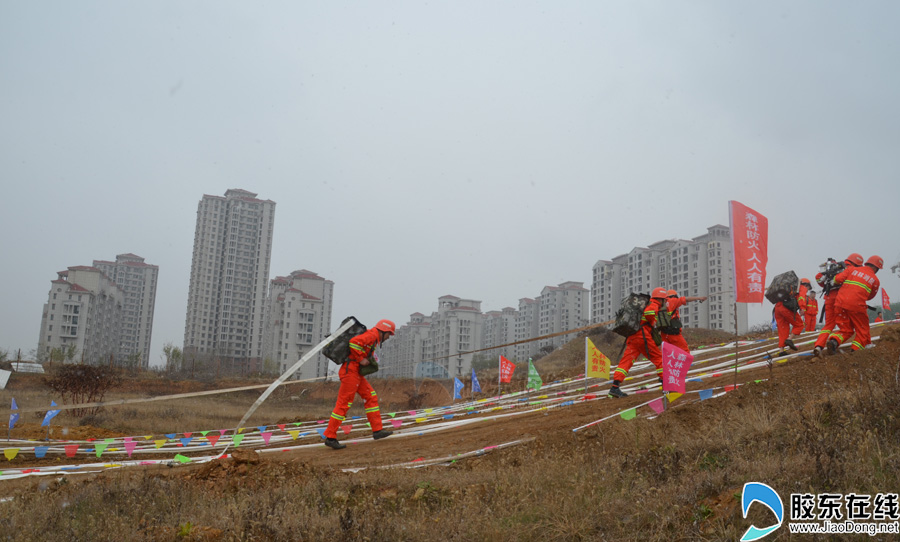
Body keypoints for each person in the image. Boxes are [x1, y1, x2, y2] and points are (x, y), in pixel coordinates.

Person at [323, 319, 396, 450]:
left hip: (355, 373)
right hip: (350, 372)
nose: (389, 337)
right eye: (389, 334)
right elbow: (353, 343)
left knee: (371, 396)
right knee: (343, 404)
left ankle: (377, 430)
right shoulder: (372, 335)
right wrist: (360, 359)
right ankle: (330, 436)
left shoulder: (373, 338)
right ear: (383, 331)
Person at [609, 287, 668, 398]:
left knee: (626, 362)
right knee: (658, 358)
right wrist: (653, 322)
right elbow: (650, 313)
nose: (665, 302)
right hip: (642, 337)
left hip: (632, 337)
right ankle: (666, 383)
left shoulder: (644, 305)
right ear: (660, 299)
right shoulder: (654, 304)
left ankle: (615, 387)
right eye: (665, 299)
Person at [826, 255, 883, 354]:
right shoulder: (875, 280)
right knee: (862, 330)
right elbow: (870, 296)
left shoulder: (852, 270)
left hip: (839, 303)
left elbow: (836, 280)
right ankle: (855, 352)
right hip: (857, 306)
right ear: (876, 268)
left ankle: (834, 341)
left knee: (846, 329)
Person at [813, 253, 864, 356]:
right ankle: (834, 341)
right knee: (847, 329)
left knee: (828, 325)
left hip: (829, 298)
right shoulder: (850, 270)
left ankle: (818, 346)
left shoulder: (833, 266)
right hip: (841, 299)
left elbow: (818, 278)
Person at [773, 287, 804, 357]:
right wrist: (802, 308)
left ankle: (781, 351)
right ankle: (789, 339)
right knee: (799, 324)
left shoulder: (780, 287)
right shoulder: (796, 287)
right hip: (786, 307)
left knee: (782, 329)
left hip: (777, 308)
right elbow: (800, 298)